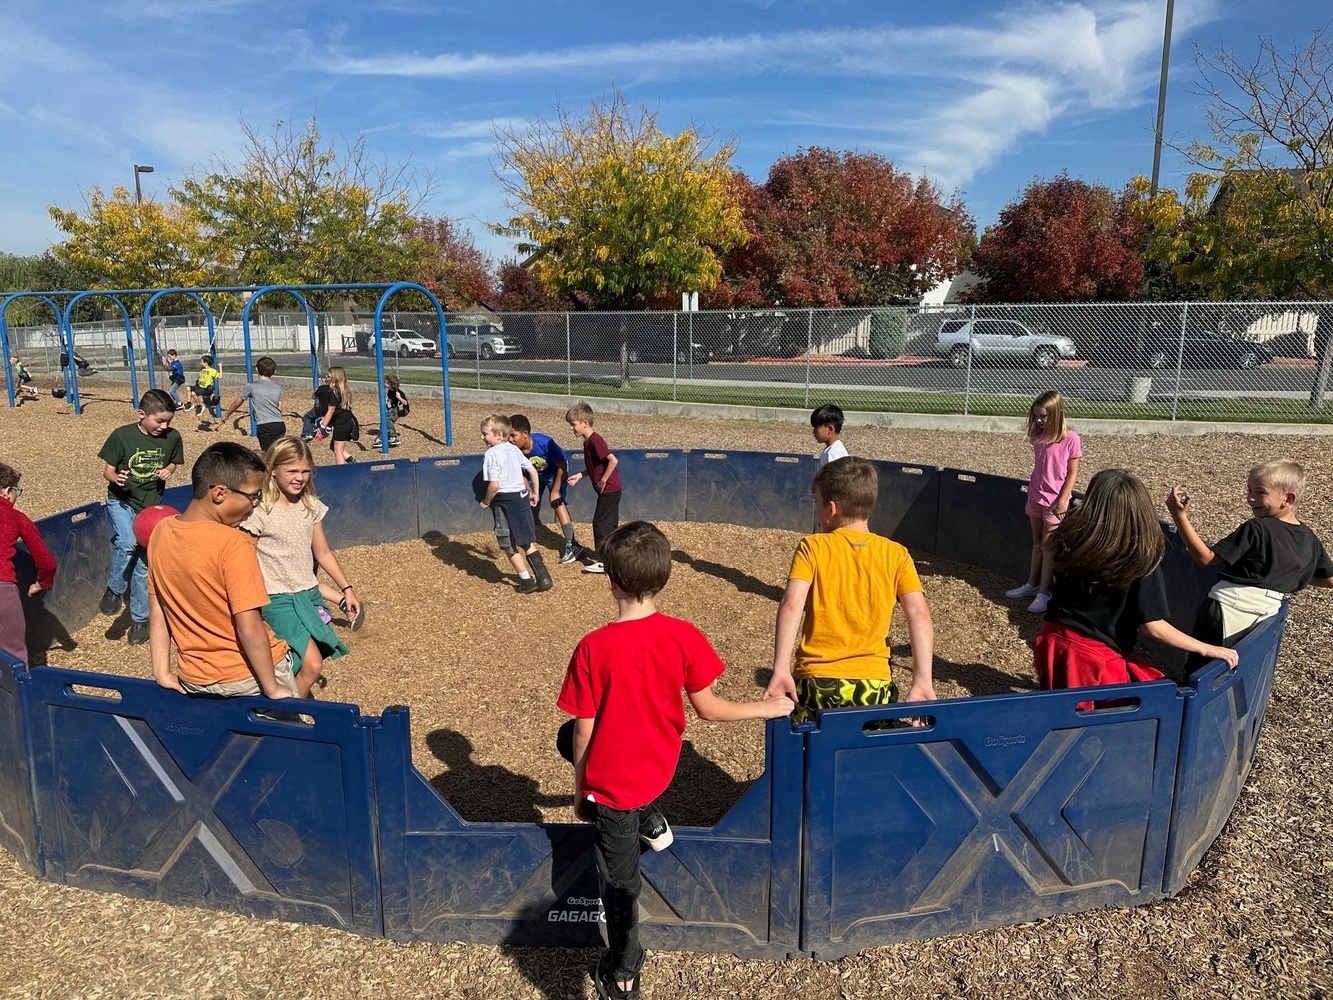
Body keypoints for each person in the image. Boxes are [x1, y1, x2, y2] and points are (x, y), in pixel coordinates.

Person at [556, 520, 795, 1000]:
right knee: (566, 737)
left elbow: (585, 732)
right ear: (662, 578)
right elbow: (708, 709)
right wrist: (766, 707)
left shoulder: (593, 646)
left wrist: (583, 793)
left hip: (616, 788)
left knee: (619, 884)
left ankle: (623, 969)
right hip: (659, 767)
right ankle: (649, 814)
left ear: (611, 581)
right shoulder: (683, 635)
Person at [1032, 468, 1239, 709]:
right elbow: (1153, 627)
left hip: (1052, 640)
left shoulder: (1072, 541)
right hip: (1090, 658)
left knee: (1060, 710)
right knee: (1150, 702)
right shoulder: (1137, 559)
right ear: (1141, 511)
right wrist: (1207, 648)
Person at [765, 456, 936, 724]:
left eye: (817, 503)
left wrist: (780, 668)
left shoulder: (813, 547)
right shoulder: (897, 554)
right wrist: (922, 679)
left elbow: (791, 604)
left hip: (816, 680)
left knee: (812, 753)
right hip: (873, 683)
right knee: (869, 756)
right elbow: (919, 615)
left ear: (831, 508)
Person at [147, 442, 297, 700]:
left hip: (195, 679)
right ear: (219, 493)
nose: (255, 506)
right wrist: (271, 687)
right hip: (248, 676)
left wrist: (161, 671)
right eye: (254, 496)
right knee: (293, 739)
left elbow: (158, 608)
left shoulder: (161, 532)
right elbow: (249, 625)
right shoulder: (233, 543)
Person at [1167, 459, 1333, 676]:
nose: (1250, 497)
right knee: (1235, 675)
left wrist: (1179, 515)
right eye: (1249, 490)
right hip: (1266, 615)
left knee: (1201, 674)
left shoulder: (1257, 528)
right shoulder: (1308, 538)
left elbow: (1205, 559)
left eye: (1260, 492)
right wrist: (1285, 575)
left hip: (1225, 610)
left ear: (1288, 498)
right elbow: (1329, 580)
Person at [239, 437, 361, 696]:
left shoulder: (310, 505)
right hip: (276, 598)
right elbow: (242, 558)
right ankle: (291, 713)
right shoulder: (259, 511)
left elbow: (323, 552)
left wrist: (347, 588)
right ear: (273, 469)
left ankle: (286, 702)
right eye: (292, 471)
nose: (300, 477)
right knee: (312, 664)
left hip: (308, 594)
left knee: (303, 657)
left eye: (305, 471)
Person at [96, 388, 184, 645]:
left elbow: (174, 462)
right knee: (127, 542)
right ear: (141, 414)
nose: (164, 426)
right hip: (122, 501)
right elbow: (107, 471)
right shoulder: (122, 436)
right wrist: (117, 477)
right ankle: (114, 590)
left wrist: (168, 470)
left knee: (144, 566)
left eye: (168, 421)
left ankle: (140, 619)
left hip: (151, 508)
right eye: (159, 421)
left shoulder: (172, 437)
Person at [1005, 390, 1081, 615]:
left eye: (1044, 416)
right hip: (1036, 496)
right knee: (1038, 542)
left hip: (1055, 500)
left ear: (1057, 414)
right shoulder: (1038, 436)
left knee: (1050, 547)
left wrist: (1062, 499)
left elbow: (1072, 473)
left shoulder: (1071, 439)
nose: (1039, 420)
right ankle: (1032, 584)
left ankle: (1044, 593)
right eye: (1036, 416)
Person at [478, 413, 550, 593]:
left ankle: (527, 581)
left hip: (504, 500)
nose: (482, 437)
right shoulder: (514, 449)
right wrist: (535, 493)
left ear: (499, 435)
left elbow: (494, 485)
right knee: (526, 540)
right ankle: (544, 577)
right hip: (521, 497)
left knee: (507, 543)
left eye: (485, 434)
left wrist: (486, 501)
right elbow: (532, 471)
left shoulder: (491, 454)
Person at [509, 412, 585, 565]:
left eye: (513, 435)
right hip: (534, 474)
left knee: (557, 502)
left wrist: (555, 491)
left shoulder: (544, 443)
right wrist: (529, 491)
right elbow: (520, 474)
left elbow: (562, 465)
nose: (510, 439)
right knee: (522, 497)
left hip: (555, 471)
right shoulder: (513, 450)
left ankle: (572, 545)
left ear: (525, 434)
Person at [0, 462, 57, 666]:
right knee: (13, 651)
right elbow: (47, 562)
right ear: (7, 491)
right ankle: (16, 697)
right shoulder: (16, 517)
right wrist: (42, 583)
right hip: (2, 587)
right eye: (17, 491)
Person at [565, 401, 620, 575]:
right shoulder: (588, 442)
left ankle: (604, 562)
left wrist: (603, 480)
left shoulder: (595, 440)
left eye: (573, 425)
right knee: (609, 524)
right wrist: (581, 475)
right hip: (610, 489)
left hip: (609, 489)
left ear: (585, 423)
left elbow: (613, 460)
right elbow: (595, 464)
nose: (572, 429)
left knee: (601, 524)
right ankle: (615, 557)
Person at [215, 356, 286, 450]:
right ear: (274, 371)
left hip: (265, 425)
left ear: (256, 369)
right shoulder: (277, 387)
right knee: (278, 454)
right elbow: (279, 406)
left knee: (268, 455)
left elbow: (237, 403)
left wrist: (227, 414)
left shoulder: (251, 386)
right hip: (279, 424)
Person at [311, 367, 357, 465]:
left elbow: (330, 411)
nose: (325, 378)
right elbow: (337, 411)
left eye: (328, 377)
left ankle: (341, 473)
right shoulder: (344, 391)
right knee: (334, 446)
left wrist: (322, 428)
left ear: (334, 379)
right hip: (349, 421)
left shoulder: (333, 392)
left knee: (338, 450)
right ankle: (352, 462)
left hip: (342, 424)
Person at [379, 375, 409, 448]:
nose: (384, 384)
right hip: (395, 409)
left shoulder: (398, 392)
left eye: (386, 383)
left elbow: (406, 403)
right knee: (384, 418)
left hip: (403, 410)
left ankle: (394, 437)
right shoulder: (389, 391)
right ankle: (381, 437)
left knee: (388, 419)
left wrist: (399, 398)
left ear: (390, 384)